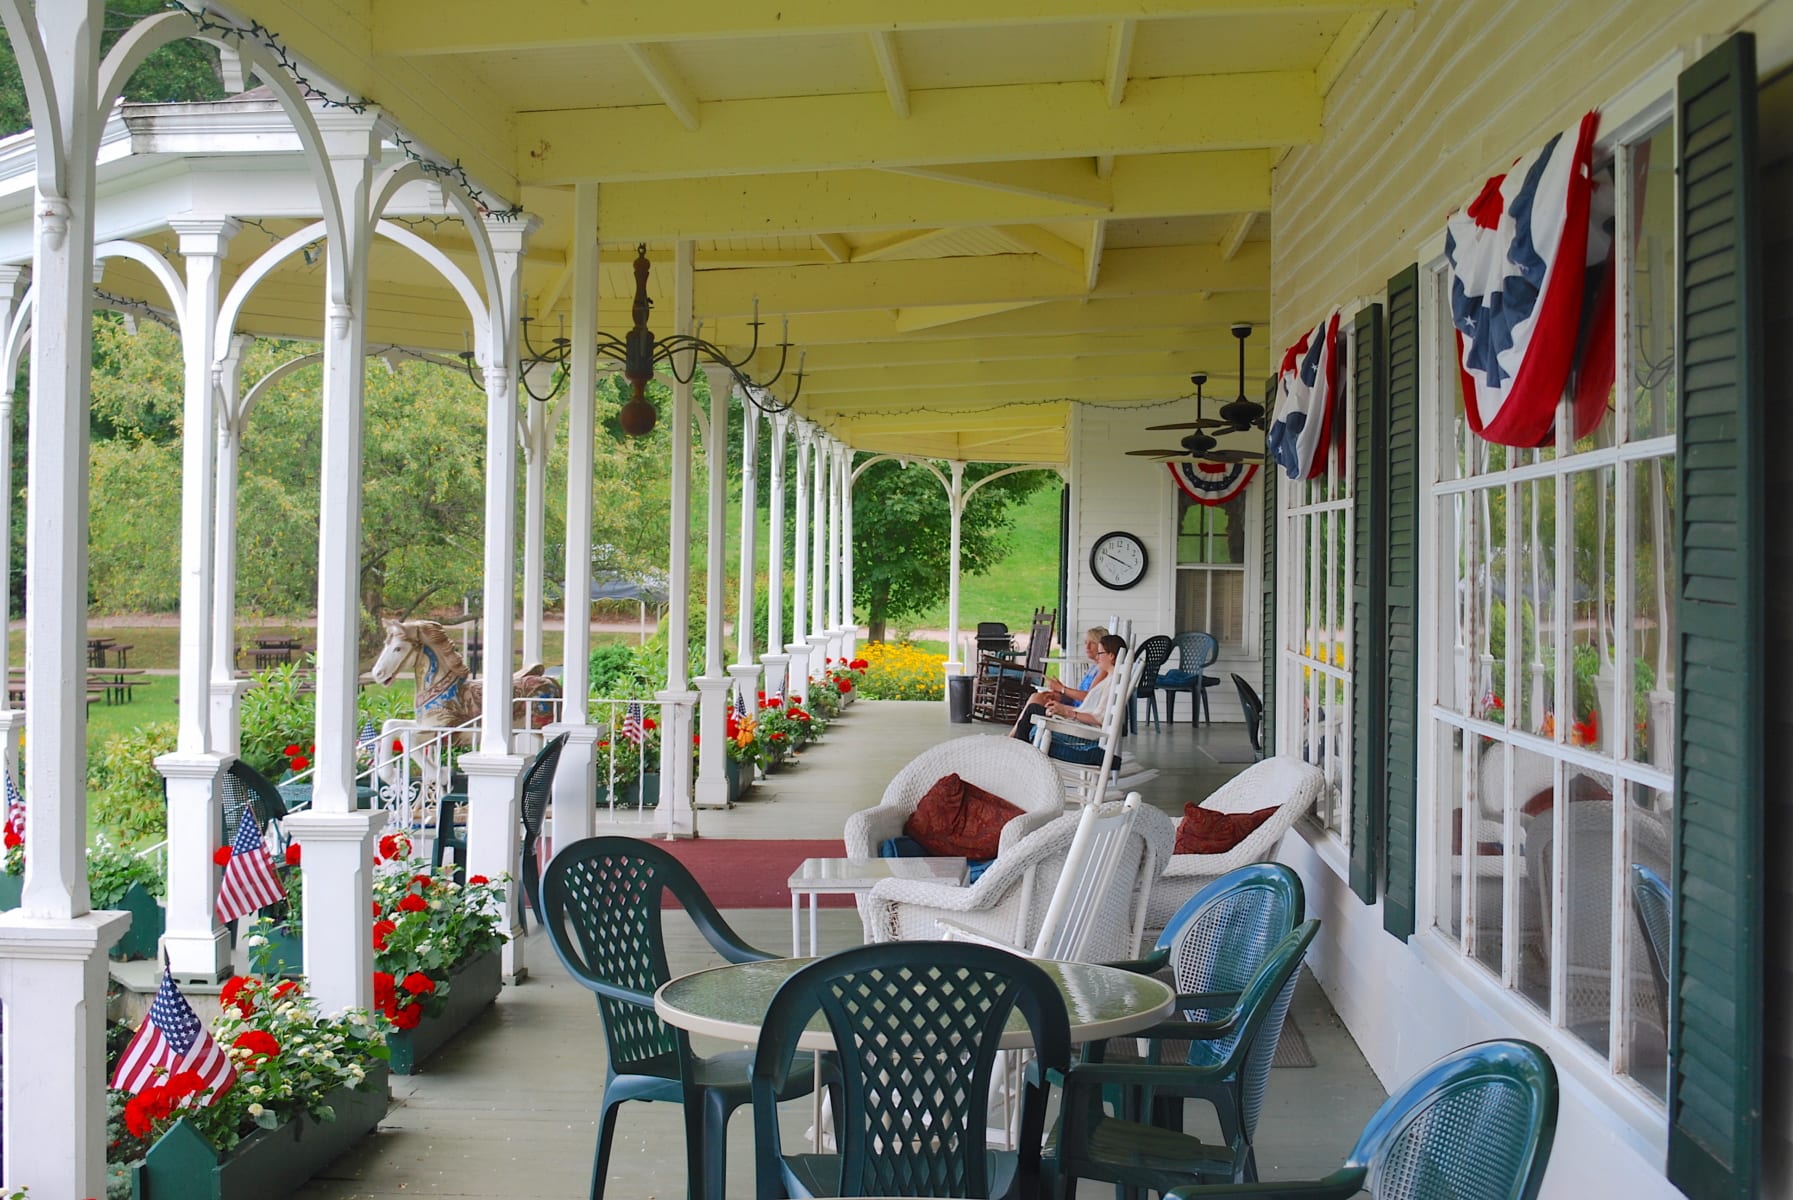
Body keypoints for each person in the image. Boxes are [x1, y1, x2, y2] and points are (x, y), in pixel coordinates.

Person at [1010, 634, 1125, 765]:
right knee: (1034, 712)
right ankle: (1017, 754)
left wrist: (1067, 712)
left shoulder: (1111, 683)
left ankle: (1018, 756)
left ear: (1111, 656)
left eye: (1100, 653)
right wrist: (1062, 709)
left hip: (1085, 732)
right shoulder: (1110, 679)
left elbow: (1098, 719)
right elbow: (1090, 708)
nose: (1097, 657)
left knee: (1033, 724)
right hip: (1080, 723)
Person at [1020, 625, 1108, 712]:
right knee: (1038, 696)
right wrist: (1060, 694)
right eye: (1085, 642)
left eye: (1092, 643)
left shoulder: (1103, 671)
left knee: (1036, 702)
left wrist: (1062, 689)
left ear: (1101, 646)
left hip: (1078, 712)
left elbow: (1089, 698)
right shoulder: (1094, 667)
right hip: (1074, 707)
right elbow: (1079, 698)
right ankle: (1018, 727)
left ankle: (1020, 726)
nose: (1087, 647)